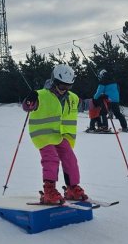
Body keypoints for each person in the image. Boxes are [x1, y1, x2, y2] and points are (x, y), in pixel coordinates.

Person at [22, 64, 88, 204]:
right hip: (42, 135)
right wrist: (29, 100)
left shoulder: (72, 98)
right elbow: (27, 106)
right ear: (54, 81)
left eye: (68, 86)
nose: (65, 89)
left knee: (70, 157)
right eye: (62, 86)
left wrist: (98, 102)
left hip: (58, 136)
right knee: (51, 158)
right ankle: (49, 190)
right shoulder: (41, 95)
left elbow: (83, 105)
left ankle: (72, 188)